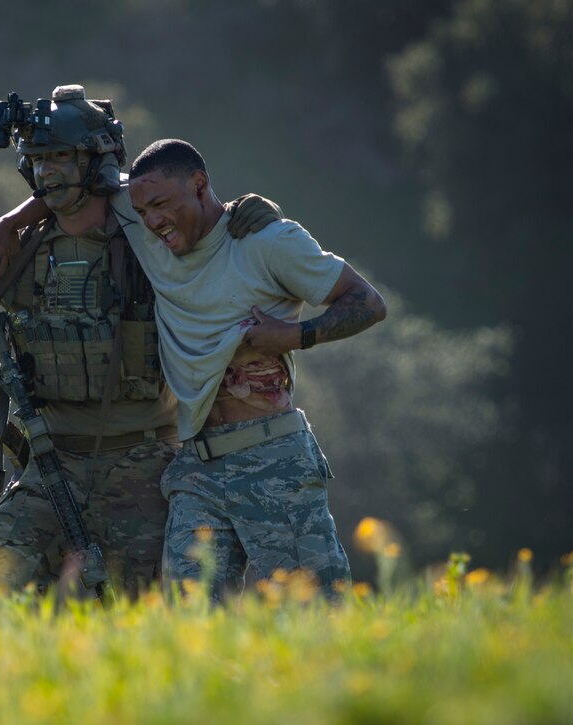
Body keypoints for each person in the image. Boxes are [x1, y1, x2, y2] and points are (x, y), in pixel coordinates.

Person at [0, 86, 281, 605]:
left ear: (95, 163)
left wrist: (251, 215)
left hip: (143, 464)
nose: (47, 172)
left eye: (60, 158)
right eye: (38, 160)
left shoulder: (152, 240)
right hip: (50, 465)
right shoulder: (16, 247)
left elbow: (211, 229)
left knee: (144, 610)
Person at [122, 138, 388, 601]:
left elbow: (368, 302)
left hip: (274, 462)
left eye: (161, 205)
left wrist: (298, 334)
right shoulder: (147, 229)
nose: (152, 221)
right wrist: (3, 228)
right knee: (189, 626)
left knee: (312, 615)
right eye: (142, 211)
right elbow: (73, 182)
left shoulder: (269, 242)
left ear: (200, 186)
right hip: (196, 468)